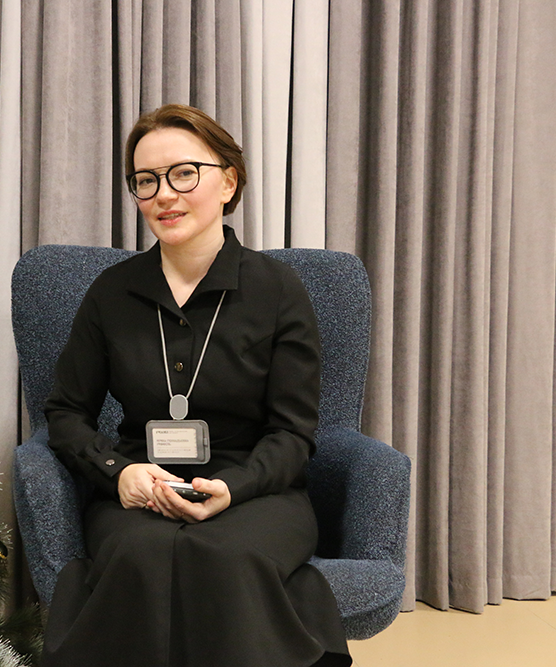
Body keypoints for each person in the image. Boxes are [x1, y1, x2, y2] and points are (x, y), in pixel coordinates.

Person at [41, 103, 352, 667]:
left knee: (224, 555)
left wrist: (235, 486)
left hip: (258, 488)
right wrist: (119, 472)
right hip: (143, 485)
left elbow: (293, 433)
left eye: (184, 174)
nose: (164, 194)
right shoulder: (110, 293)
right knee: (142, 555)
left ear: (228, 182)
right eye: (146, 180)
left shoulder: (279, 290)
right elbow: (65, 413)